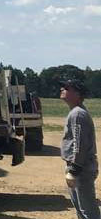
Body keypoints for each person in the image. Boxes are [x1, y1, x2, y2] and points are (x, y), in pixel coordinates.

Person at [61, 78, 98, 219]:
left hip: (81, 168)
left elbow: (79, 143)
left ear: (77, 93)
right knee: (81, 210)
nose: (62, 89)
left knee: (88, 211)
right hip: (78, 166)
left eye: (66, 88)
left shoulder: (78, 114)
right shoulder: (76, 112)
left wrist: (75, 169)